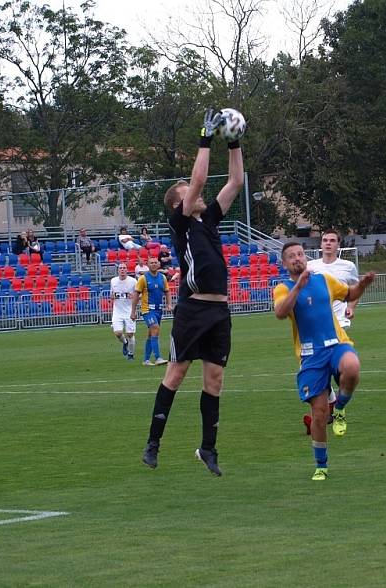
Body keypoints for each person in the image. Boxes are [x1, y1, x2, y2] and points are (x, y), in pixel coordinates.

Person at [141, 107, 244, 477]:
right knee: (175, 374)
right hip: (192, 310)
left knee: (214, 380)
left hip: (219, 311)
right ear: (177, 205)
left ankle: (208, 448)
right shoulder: (180, 222)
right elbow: (197, 182)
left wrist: (233, 141)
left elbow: (235, 183)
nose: (197, 193)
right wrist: (205, 136)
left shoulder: (210, 219)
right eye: (188, 193)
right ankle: (153, 443)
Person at [273, 242, 375, 480]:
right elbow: (280, 313)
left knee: (352, 367)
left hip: (335, 344)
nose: (297, 258)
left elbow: (350, 294)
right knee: (318, 414)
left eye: (300, 254)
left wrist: (363, 284)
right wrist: (298, 287)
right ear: (285, 263)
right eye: (291, 256)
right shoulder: (282, 287)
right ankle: (321, 465)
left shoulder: (325, 280)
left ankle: (339, 408)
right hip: (310, 355)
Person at [302, 229, 361, 434]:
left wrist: (351, 306)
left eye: (332, 241)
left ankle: (335, 409)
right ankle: (333, 409)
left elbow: (355, 289)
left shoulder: (348, 266)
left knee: (338, 369)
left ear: (338, 245)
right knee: (322, 373)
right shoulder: (311, 267)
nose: (328, 243)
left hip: (339, 324)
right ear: (321, 244)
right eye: (325, 240)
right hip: (316, 327)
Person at [131, 257, 172, 367]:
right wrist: (133, 311)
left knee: (151, 334)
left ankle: (146, 360)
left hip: (158, 310)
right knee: (155, 328)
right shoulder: (143, 279)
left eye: (155, 262)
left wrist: (169, 304)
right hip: (147, 310)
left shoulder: (162, 277)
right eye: (151, 263)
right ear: (147, 265)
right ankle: (158, 357)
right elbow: (136, 295)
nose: (153, 264)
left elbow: (167, 291)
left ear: (158, 264)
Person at [110, 262, 138, 360]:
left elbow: (140, 295)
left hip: (129, 311)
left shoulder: (133, 281)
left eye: (124, 268)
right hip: (117, 311)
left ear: (127, 270)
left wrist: (133, 296)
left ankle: (131, 354)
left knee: (130, 334)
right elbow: (111, 295)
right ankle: (125, 342)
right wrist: (112, 297)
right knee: (118, 333)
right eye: (120, 268)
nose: (122, 270)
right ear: (118, 270)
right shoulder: (113, 281)